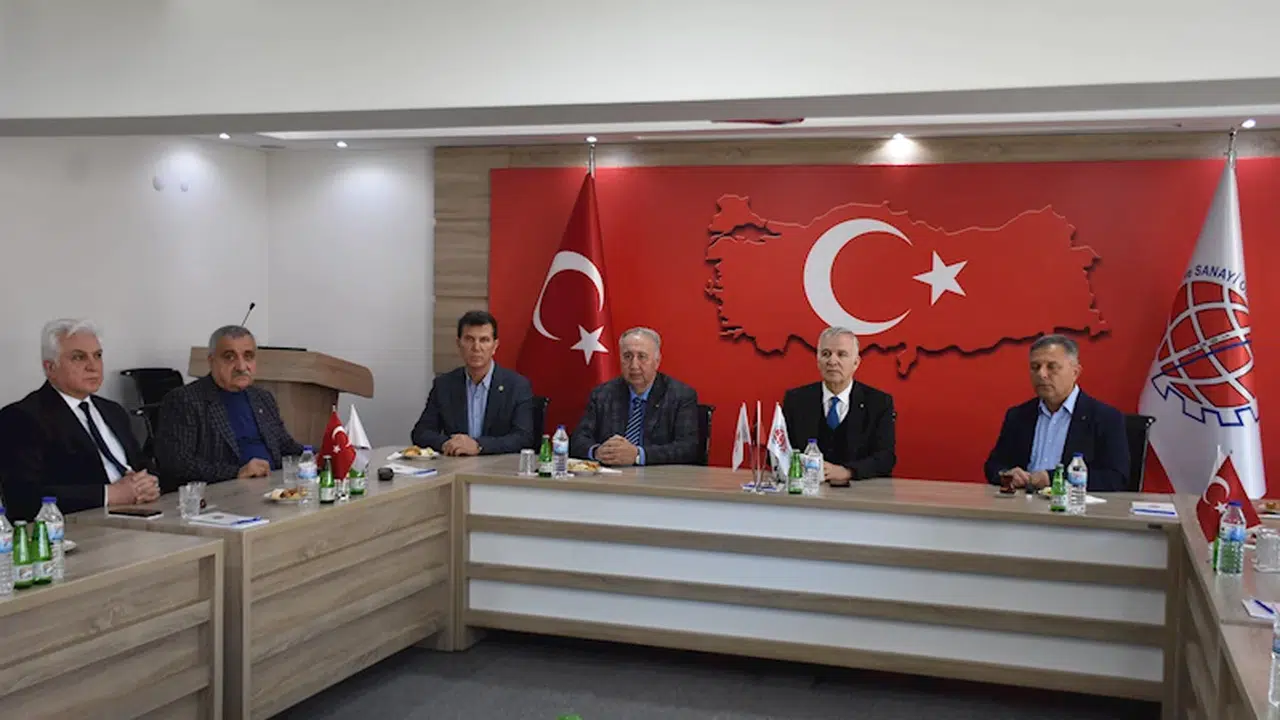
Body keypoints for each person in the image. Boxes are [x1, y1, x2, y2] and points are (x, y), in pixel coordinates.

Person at [0, 319, 161, 519]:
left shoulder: (112, 411)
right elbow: (23, 498)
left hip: (140, 514)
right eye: (78, 357)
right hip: (80, 526)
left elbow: (143, 464)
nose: (93, 366)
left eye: (97, 355)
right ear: (50, 367)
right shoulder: (21, 417)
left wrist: (149, 483)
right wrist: (108, 495)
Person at [156, 325, 303, 483]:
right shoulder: (185, 400)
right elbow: (177, 465)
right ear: (211, 361)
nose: (241, 366)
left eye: (248, 356)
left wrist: (316, 455)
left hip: (273, 485)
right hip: (226, 491)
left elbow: (285, 446)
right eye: (229, 357)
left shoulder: (262, 397)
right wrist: (236, 473)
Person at [984, 334, 1130, 492]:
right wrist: (1007, 474)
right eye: (1035, 367)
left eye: (1051, 367)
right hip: (1022, 502)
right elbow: (993, 466)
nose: (1042, 374)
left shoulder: (1105, 418)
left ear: (1075, 372)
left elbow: (1116, 477)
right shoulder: (1018, 416)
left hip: (1074, 503)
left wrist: (1053, 478)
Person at [781, 326, 896, 485]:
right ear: (818, 361)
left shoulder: (878, 403)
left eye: (841, 354)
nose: (832, 361)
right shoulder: (797, 400)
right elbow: (780, 450)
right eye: (826, 354)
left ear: (856, 362)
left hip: (860, 492)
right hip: (807, 489)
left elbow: (886, 458)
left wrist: (847, 471)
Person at [570, 327, 699, 466]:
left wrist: (638, 455)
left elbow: (688, 448)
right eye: (627, 356)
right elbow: (577, 440)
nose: (634, 365)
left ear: (657, 361)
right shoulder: (603, 394)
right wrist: (597, 452)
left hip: (657, 476)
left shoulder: (680, 395)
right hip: (610, 474)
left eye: (642, 357)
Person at [411, 311, 535, 455]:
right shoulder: (444, 385)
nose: (476, 347)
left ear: (495, 346)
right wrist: (448, 444)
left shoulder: (517, 386)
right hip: (455, 464)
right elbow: (421, 433)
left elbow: (523, 437)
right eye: (469, 339)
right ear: (459, 344)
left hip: (498, 465)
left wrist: (479, 446)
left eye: (484, 340)